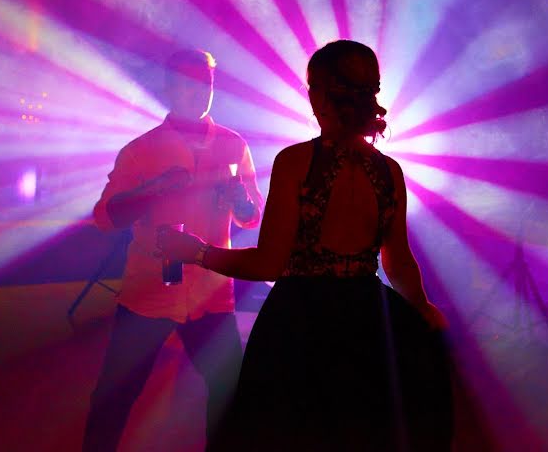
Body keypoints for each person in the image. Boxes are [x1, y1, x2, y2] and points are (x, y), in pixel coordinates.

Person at [158, 40, 453, 451]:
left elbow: (268, 265)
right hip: (369, 318)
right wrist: (421, 308)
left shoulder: (296, 162)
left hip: (301, 321)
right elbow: (398, 260)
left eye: (312, 85)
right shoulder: (389, 171)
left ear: (323, 94)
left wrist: (198, 253)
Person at [83, 49, 263, 451]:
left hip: (211, 290)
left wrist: (241, 201)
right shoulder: (141, 150)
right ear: (168, 87)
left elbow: (251, 217)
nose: (197, 93)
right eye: (187, 83)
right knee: (114, 396)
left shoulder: (234, 146)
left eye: (206, 85)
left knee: (228, 393)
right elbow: (105, 218)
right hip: (149, 290)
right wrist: (150, 191)